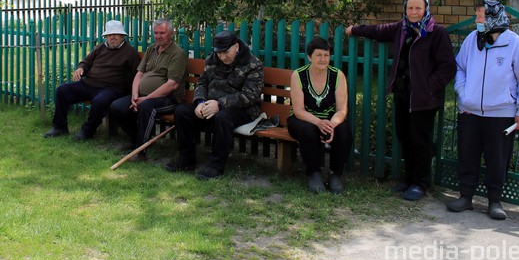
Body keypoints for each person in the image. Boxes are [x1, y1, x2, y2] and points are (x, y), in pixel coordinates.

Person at [345, 0, 456, 200]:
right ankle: (408, 179)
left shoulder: (436, 33)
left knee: (419, 140)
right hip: (404, 94)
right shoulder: (402, 29)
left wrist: (427, 87)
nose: (414, 12)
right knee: (404, 137)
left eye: (418, 8)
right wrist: (355, 29)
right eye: (410, 8)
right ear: (405, 9)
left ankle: (421, 183)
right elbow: (378, 30)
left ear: (426, 10)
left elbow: (447, 68)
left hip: (424, 99)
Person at [447, 0, 519, 220]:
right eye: (477, 15)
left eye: (481, 16)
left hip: (501, 113)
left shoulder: (515, 44)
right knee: (468, 154)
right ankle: (466, 196)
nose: (477, 20)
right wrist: (463, 92)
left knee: (497, 158)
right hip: (470, 111)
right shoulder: (471, 40)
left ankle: (494, 201)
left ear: (494, 18)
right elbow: (460, 68)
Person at [165, 30, 264, 180]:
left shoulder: (252, 64)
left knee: (223, 117)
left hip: (243, 109)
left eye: (226, 52)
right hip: (210, 105)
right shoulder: (212, 60)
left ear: (236, 47)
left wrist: (220, 104)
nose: (222, 57)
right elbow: (202, 82)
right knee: (182, 111)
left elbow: (250, 96)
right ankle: (186, 159)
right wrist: (199, 102)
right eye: (219, 53)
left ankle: (216, 165)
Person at [44, 20, 140, 141]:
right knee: (62, 90)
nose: (112, 37)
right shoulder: (100, 48)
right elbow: (86, 62)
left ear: (122, 36)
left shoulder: (129, 52)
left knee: (100, 101)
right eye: (110, 35)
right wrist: (80, 68)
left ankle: (87, 131)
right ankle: (59, 127)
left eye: (116, 34)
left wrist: (129, 94)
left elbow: (136, 74)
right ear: (106, 36)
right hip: (89, 84)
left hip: (111, 88)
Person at [109, 19, 187, 160]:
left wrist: (146, 99)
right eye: (156, 33)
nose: (158, 36)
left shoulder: (178, 53)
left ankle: (141, 151)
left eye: (162, 33)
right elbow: (139, 73)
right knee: (116, 107)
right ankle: (136, 139)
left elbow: (172, 85)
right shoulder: (152, 49)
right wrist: (134, 96)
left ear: (171, 33)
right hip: (142, 96)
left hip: (170, 99)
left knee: (146, 107)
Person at [287, 37, 353, 194]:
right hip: (303, 118)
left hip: (330, 118)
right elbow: (298, 110)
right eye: (319, 55)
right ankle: (313, 173)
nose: (323, 59)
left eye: (327, 55)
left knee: (344, 131)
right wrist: (318, 122)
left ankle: (335, 174)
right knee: (308, 131)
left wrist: (332, 124)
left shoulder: (338, 76)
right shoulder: (298, 75)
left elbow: (342, 109)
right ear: (310, 57)